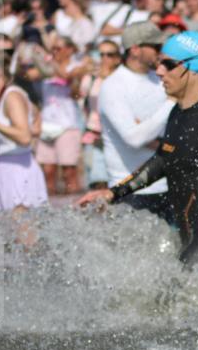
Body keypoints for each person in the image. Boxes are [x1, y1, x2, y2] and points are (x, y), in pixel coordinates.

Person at [77, 32, 198, 273]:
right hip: (192, 242)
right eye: (158, 63)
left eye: (168, 64)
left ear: (193, 68)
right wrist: (113, 193)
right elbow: (163, 160)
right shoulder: (178, 112)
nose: (159, 71)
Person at [97, 21, 175, 225]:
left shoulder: (160, 79)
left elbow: (155, 132)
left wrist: (148, 130)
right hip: (130, 191)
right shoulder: (113, 86)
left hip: (168, 185)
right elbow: (135, 138)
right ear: (135, 49)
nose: (161, 52)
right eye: (156, 47)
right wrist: (170, 103)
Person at [0, 48, 48, 220]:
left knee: (25, 243)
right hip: (2, 169)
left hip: (18, 171)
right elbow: (34, 121)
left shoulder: (12, 96)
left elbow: (25, 138)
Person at [36, 36, 88, 194]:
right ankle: (51, 208)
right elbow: (24, 74)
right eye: (53, 49)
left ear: (70, 49)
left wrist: (48, 60)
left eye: (58, 48)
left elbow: (66, 76)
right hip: (46, 124)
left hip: (68, 125)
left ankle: (75, 207)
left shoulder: (79, 66)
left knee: (69, 172)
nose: (54, 52)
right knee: (47, 171)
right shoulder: (44, 67)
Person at [79, 39, 120, 189]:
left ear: (117, 58)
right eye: (100, 54)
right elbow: (82, 103)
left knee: (116, 182)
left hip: (116, 136)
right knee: (96, 181)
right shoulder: (90, 79)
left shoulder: (121, 79)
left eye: (109, 55)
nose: (104, 59)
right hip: (94, 133)